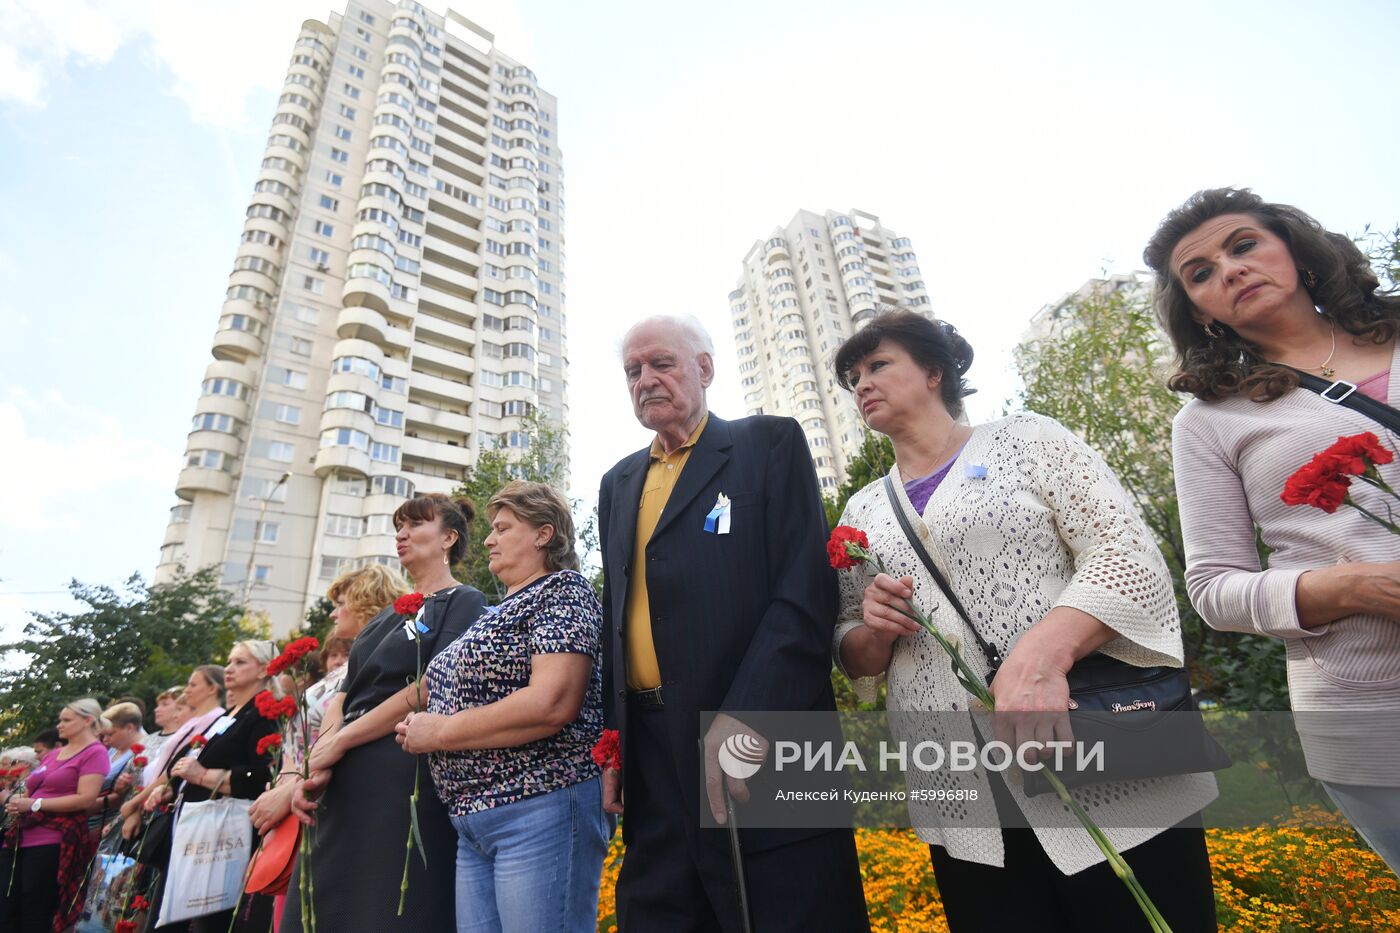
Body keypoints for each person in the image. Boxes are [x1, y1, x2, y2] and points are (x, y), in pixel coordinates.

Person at [832, 309, 1219, 931]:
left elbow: (1124, 552)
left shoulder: (1028, 440)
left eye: (878, 365)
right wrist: (873, 627)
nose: (861, 384)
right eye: (853, 376)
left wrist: (1043, 656)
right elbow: (852, 645)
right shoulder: (863, 508)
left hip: (1095, 746)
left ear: (934, 372)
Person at [1145, 187, 1400, 873]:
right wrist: (1351, 586)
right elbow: (1214, 587)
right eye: (1199, 272)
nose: (1228, 268)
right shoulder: (1210, 420)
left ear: (1293, 248)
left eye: (1243, 244)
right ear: (1197, 310)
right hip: (1372, 706)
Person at [597, 315, 869, 931]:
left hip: (763, 737)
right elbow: (618, 617)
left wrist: (749, 715)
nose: (645, 380)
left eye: (661, 363)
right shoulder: (617, 484)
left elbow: (804, 595)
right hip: (651, 757)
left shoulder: (767, 443)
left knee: (789, 907)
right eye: (632, 371)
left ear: (705, 368)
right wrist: (615, 743)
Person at [397, 480, 608, 932]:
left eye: (503, 528)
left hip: (539, 807)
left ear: (543, 534)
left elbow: (551, 703)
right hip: (474, 824)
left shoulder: (562, 591)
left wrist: (439, 732)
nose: (489, 539)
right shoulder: (492, 615)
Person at [282, 494, 488, 932]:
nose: (401, 534)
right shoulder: (384, 618)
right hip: (342, 779)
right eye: (399, 526)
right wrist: (316, 765)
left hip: (401, 776)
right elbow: (344, 694)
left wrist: (341, 742)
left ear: (449, 537)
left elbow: (429, 685)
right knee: (324, 904)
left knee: (387, 904)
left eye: (415, 524)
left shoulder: (464, 602)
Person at [142, 644, 278, 932]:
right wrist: (172, 785)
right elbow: (195, 757)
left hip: (223, 834)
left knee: (207, 921)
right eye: (229, 661)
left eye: (240, 662)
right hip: (194, 826)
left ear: (265, 669)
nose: (229, 668)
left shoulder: (265, 712)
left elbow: (264, 774)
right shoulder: (228, 714)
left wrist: (205, 776)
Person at [0, 699, 110, 933]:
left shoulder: (95, 753)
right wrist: (18, 804)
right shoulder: (55, 753)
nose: (59, 724)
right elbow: (32, 787)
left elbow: (86, 799)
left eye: (67, 720)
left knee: (35, 907)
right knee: (7, 903)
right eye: (61, 719)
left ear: (88, 721)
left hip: (53, 840)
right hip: (21, 835)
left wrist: (35, 804)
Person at [141, 687, 185, 778]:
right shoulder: (147, 739)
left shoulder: (185, 740)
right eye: (158, 705)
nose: (156, 709)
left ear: (181, 707)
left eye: (165, 704)